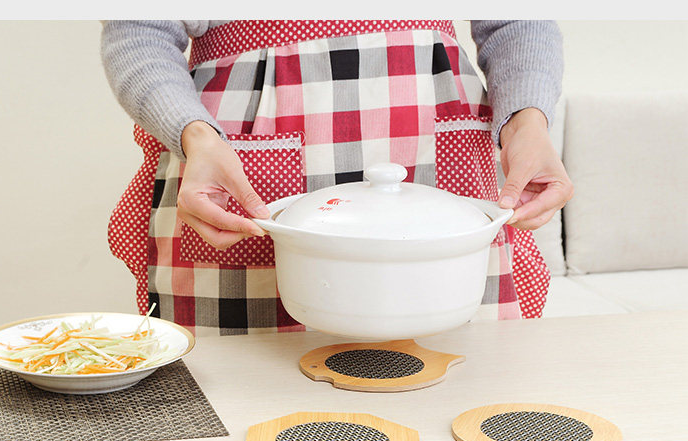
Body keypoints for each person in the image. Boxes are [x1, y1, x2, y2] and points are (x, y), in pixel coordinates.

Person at [101, 20, 573, 335]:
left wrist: (528, 121)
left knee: (458, 389)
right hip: (233, 149)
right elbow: (139, 28)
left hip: (431, 127)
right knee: (248, 396)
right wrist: (196, 136)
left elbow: (517, 19)